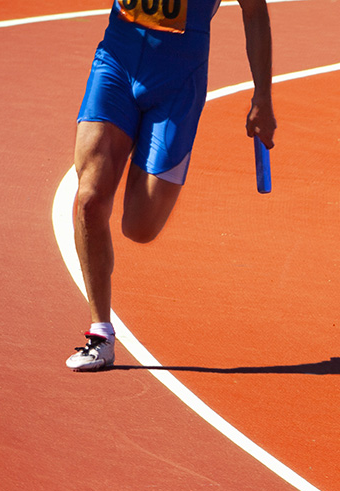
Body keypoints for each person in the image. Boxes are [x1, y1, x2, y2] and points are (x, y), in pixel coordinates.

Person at [66, 0, 277, 371]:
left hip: (179, 80)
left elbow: (255, 10)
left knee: (139, 227)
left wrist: (262, 96)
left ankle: (147, 150)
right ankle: (100, 334)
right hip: (117, 61)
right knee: (90, 200)